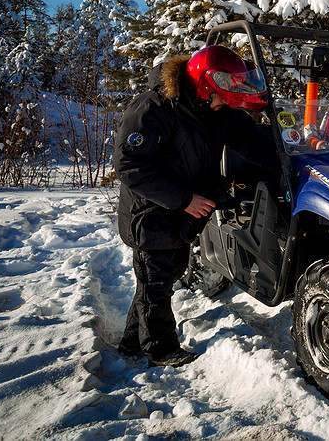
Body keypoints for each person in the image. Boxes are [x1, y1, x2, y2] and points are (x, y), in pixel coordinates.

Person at [113, 45, 272, 367]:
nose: (225, 104)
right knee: (155, 284)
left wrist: (293, 152)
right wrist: (184, 199)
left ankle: (131, 343)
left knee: (161, 278)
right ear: (203, 87)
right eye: (221, 97)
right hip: (151, 211)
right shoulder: (153, 108)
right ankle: (161, 349)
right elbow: (129, 165)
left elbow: (253, 141)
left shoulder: (215, 112)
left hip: (182, 212)